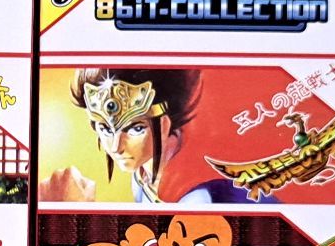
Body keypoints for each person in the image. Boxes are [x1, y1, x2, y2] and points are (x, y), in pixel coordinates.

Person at [42, 69, 273, 204]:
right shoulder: (143, 174)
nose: (116, 146)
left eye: (135, 129)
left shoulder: (193, 192)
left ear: (164, 123)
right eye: (105, 129)